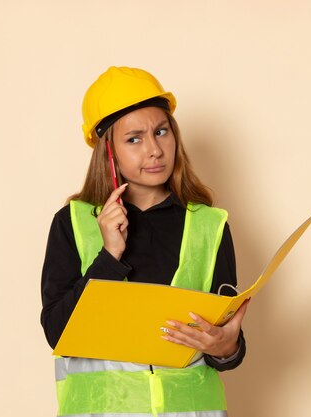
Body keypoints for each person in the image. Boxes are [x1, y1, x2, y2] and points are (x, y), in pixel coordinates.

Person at [40, 66, 248, 417]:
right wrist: (108, 255)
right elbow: (57, 333)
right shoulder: (73, 223)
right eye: (134, 139)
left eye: (161, 132)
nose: (154, 150)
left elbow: (225, 340)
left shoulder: (209, 226)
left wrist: (229, 349)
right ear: (109, 152)